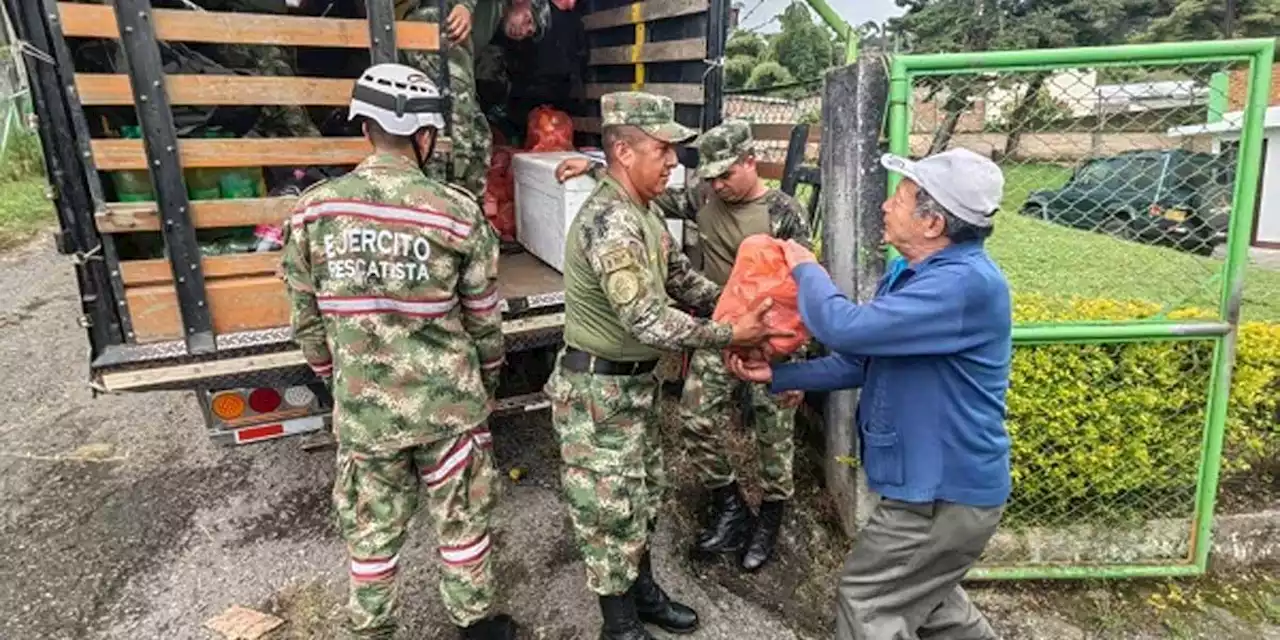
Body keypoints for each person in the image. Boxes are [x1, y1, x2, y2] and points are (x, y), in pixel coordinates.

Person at [726, 148, 1013, 640]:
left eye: (898, 199)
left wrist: (804, 265)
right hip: (937, 491)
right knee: (936, 609)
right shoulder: (915, 274)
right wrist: (778, 378)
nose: (884, 206)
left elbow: (845, 329)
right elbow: (860, 362)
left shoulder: (965, 284)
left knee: (869, 605)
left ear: (932, 223)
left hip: (941, 494)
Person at [280, 63, 515, 640]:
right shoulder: (456, 213)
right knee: (462, 526)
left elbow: (306, 321)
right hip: (449, 409)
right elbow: (484, 321)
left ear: (365, 130)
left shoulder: (314, 211)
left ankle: (373, 628)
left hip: (364, 413)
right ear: (426, 136)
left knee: (370, 533)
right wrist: (487, 380)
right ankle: (474, 627)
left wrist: (334, 377)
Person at [545, 92, 790, 640]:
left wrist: (739, 312)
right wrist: (730, 332)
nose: (675, 161)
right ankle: (621, 625)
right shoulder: (611, 220)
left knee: (642, 496)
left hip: (634, 390)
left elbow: (682, 281)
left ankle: (644, 592)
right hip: (597, 395)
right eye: (664, 149)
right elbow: (647, 320)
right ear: (625, 152)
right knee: (609, 512)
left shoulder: (646, 213)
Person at [399, 0, 549, 199]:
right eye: (528, 20)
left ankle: (468, 207)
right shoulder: (494, 5)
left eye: (529, 32)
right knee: (456, 129)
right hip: (434, 22)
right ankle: (439, 201)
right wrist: (465, 6)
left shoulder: (492, 22)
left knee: (480, 138)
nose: (524, 31)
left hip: (445, 40)